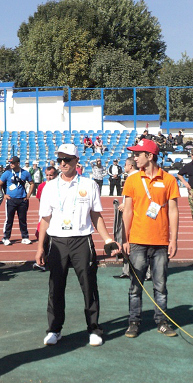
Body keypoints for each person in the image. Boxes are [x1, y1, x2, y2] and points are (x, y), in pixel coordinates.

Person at [35, 143, 119, 347]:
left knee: (89, 286)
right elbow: (45, 219)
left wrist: (108, 239)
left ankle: (94, 329)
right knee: (56, 287)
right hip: (57, 242)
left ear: (76, 161)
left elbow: (96, 215)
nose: (63, 163)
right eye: (60, 159)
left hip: (82, 240)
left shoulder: (89, 185)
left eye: (67, 159)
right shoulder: (49, 187)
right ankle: (54, 329)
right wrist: (40, 247)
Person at [121, 139, 179, 338]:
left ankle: (162, 321)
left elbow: (173, 211)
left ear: (150, 156)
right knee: (135, 287)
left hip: (161, 242)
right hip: (137, 241)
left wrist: (173, 240)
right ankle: (134, 322)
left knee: (160, 286)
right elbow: (127, 211)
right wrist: (125, 239)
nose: (135, 158)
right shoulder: (132, 180)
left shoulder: (169, 180)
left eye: (138, 154)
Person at [0, 156, 34, 246]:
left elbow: (32, 183)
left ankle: (25, 237)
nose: (11, 164)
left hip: (22, 199)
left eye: (13, 163)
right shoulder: (7, 173)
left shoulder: (25, 173)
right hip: (11, 200)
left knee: (23, 220)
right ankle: (6, 237)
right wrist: (3, 195)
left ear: (18, 163)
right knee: (9, 220)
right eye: (10, 163)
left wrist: (28, 195)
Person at [33, 166, 58, 271]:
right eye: (47, 175)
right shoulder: (42, 186)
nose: (49, 177)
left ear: (56, 175)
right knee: (42, 235)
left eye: (51, 175)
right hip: (46, 215)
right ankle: (43, 260)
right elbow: (40, 200)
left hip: (57, 215)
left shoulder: (59, 185)